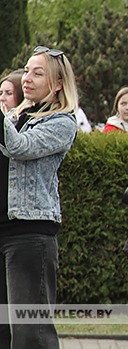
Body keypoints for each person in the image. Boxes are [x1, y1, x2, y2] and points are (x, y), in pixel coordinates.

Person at [0, 46, 79, 348]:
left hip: (28, 234)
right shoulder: (14, 116)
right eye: (26, 71)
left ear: (58, 83)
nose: (27, 78)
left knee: (30, 333)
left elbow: (20, 147)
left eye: (38, 73)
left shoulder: (62, 122)